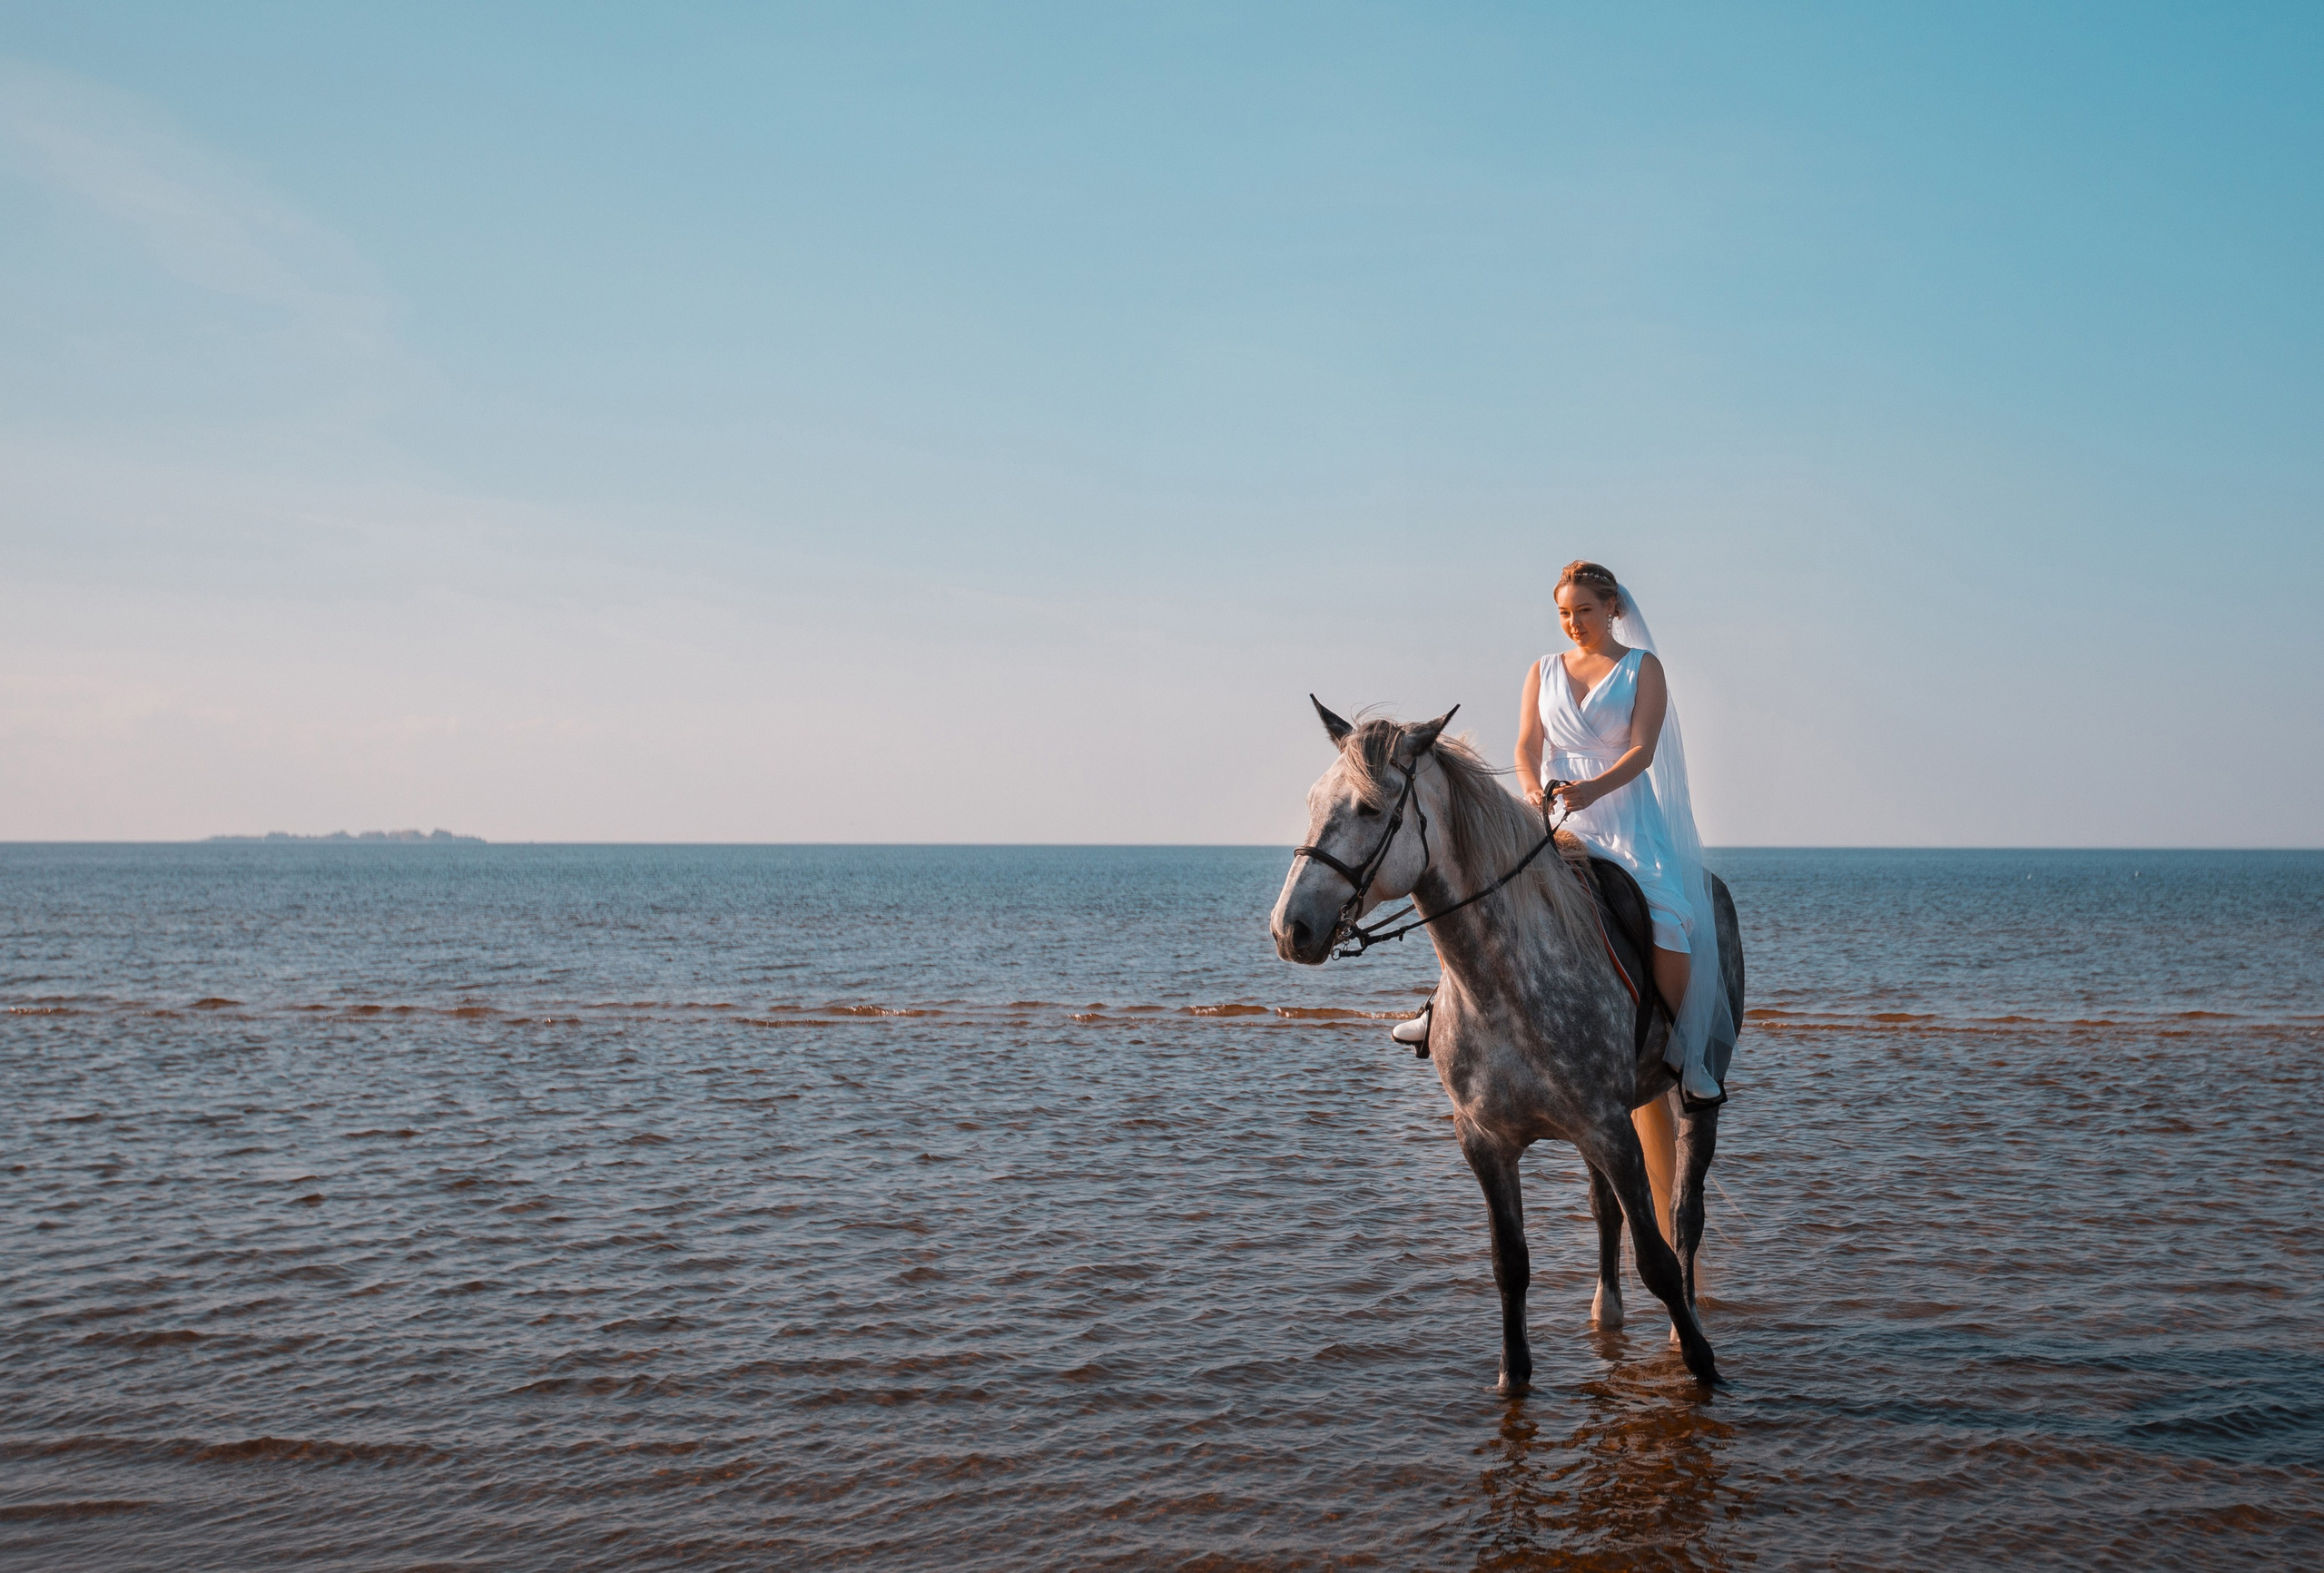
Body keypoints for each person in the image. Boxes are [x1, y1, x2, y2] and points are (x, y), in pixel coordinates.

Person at [1391, 560, 1732, 1112]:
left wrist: (1593, 789)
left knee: (1668, 919)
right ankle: (1437, 1011)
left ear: (1612, 608)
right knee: (1485, 897)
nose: (1574, 623)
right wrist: (1532, 790)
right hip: (1553, 815)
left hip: (1623, 818)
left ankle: (1687, 1053)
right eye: (1564, 613)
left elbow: (1642, 751)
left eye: (1585, 611)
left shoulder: (1643, 668)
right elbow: (1527, 746)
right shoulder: (1543, 670)